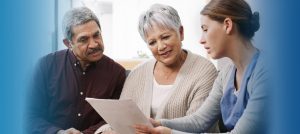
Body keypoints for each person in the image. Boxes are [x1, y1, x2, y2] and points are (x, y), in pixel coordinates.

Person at [134, 0, 269, 133]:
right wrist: (159, 123)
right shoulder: (226, 73)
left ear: (227, 25)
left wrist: (169, 133)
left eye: (205, 29)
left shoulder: (266, 73)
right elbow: (199, 121)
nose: (201, 39)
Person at [97, 4, 218, 134]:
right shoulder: (137, 74)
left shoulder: (205, 71)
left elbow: (200, 127)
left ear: (181, 32)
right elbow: (119, 122)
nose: (160, 47)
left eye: (165, 37)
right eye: (152, 42)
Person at [26, 7, 126, 134]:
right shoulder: (45, 66)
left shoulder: (117, 73)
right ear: (68, 43)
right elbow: (30, 116)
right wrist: (58, 132)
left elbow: (114, 118)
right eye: (84, 39)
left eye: (96, 35)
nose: (94, 44)